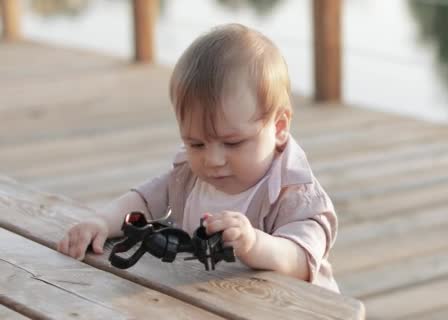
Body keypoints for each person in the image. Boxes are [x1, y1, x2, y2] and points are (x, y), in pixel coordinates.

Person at [56, 23, 339, 292]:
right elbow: (142, 200)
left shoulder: (295, 194)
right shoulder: (188, 176)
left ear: (278, 127)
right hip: (215, 301)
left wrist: (253, 244)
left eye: (232, 142)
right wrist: (102, 222)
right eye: (196, 143)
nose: (213, 160)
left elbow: (301, 260)